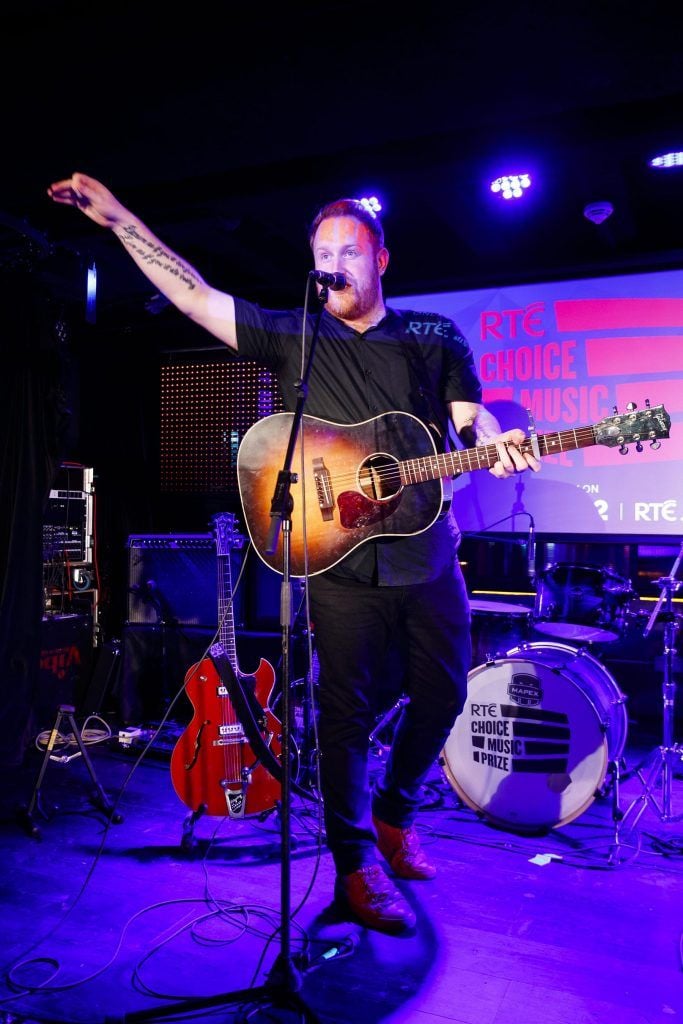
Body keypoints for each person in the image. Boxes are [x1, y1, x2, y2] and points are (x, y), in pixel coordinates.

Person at [47, 173, 541, 934]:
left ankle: (393, 812)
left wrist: (492, 444)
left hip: (426, 554)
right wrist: (117, 219)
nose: (335, 261)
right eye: (322, 251)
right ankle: (353, 866)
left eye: (350, 249)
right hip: (336, 554)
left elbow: (468, 422)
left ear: (382, 258)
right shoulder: (295, 335)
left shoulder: (434, 335)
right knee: (341, 714)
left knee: (441, 694)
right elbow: (193, 295)